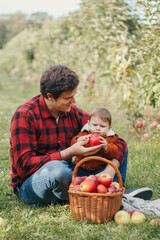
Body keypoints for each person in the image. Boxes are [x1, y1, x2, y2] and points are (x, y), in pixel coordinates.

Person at [10, 64, 152, 206]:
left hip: (65, 174)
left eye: (74, 96)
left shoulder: (70, 112)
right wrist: (70, 152)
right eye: (68, 98)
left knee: (114, 145)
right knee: (58, 171)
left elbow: (118, 141)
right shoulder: (25, 116)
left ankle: (104, 190)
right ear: (50, 96)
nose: (74, 102)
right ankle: (110, 195)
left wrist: (110, 170)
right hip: (32, 183)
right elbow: (24, 165)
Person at [71, 107, 120, 173]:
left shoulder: (109, 138)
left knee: (99, 180)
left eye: (102, 126)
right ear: (89, 123)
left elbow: (114, 152)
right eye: (94, 125)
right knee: (74, 177)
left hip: (99, 169)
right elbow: (72, 144)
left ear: (109, 128)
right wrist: (78, 140)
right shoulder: (85, 133)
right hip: (80, 166)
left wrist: (107, 147)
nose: (98, 128)